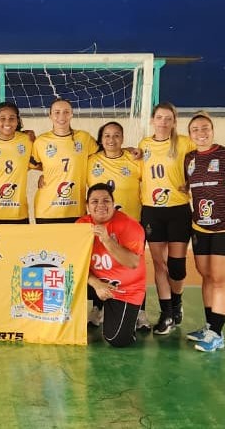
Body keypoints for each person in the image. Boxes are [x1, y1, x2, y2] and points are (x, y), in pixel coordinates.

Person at [184, 112, 225, 351]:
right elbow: (188, 186)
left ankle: (217, 334)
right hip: (200, 227)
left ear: (212, 130)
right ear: (190, 135)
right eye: (195, 129)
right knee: (207, 276)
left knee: (221, 279)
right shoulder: (189, 159)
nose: (201, 133)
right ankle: (210, 326)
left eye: (205, 128)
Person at [86, 121, 150, 331]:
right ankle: (98, 308)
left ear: (123, 138)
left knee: (134, 268)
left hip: (129, 225)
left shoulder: (134, 159)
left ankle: (140, 310)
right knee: (99, 264)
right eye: (107, 135)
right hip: (102, 223)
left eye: (116, 135)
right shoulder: (91, 161)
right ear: (100, 139)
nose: (111, 139)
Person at [139, 102, 195, 335]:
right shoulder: (144, 145)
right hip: (152, 211)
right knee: (159, 264)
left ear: (174, 122)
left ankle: (177, 301)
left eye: (168, 118)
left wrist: (190, 182)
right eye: (159, 117)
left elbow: (202, 161)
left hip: (178, 210)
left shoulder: (184, 142)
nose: (163, 122)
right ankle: (167, 313)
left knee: (176, 267)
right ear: (152, 120)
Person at [77, 183, 146, 347]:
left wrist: (107, 240)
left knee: (117, 340)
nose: (100, 205)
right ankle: (89, 315)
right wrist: (96, 284)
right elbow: (74, 263)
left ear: (113, 204)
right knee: (63, 279)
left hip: (124, 289)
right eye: (94, 201)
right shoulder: (81, 226)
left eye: (106, 201)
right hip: (96, 283)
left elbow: (133, 263)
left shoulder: (129, 225)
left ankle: (128, 317)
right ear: (87, 206)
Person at [31, 98, 97, 223]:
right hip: (46, 210)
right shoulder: (41, 141)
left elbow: (106, 152)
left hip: (75, 209)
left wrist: (127, 150)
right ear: (50, 115)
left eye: (66, 112)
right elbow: (31, 164)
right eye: (57, 112)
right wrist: (46, 173)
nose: (61, 116)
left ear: (72, 114)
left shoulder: (84, 138)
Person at [0, 101, 33, 224]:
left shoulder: (27, 141)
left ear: (18, 121)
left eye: (12, 118)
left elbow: (46, 162)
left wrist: (44, 176)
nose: (7, 123)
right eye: (2, 118)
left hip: (18, 214)